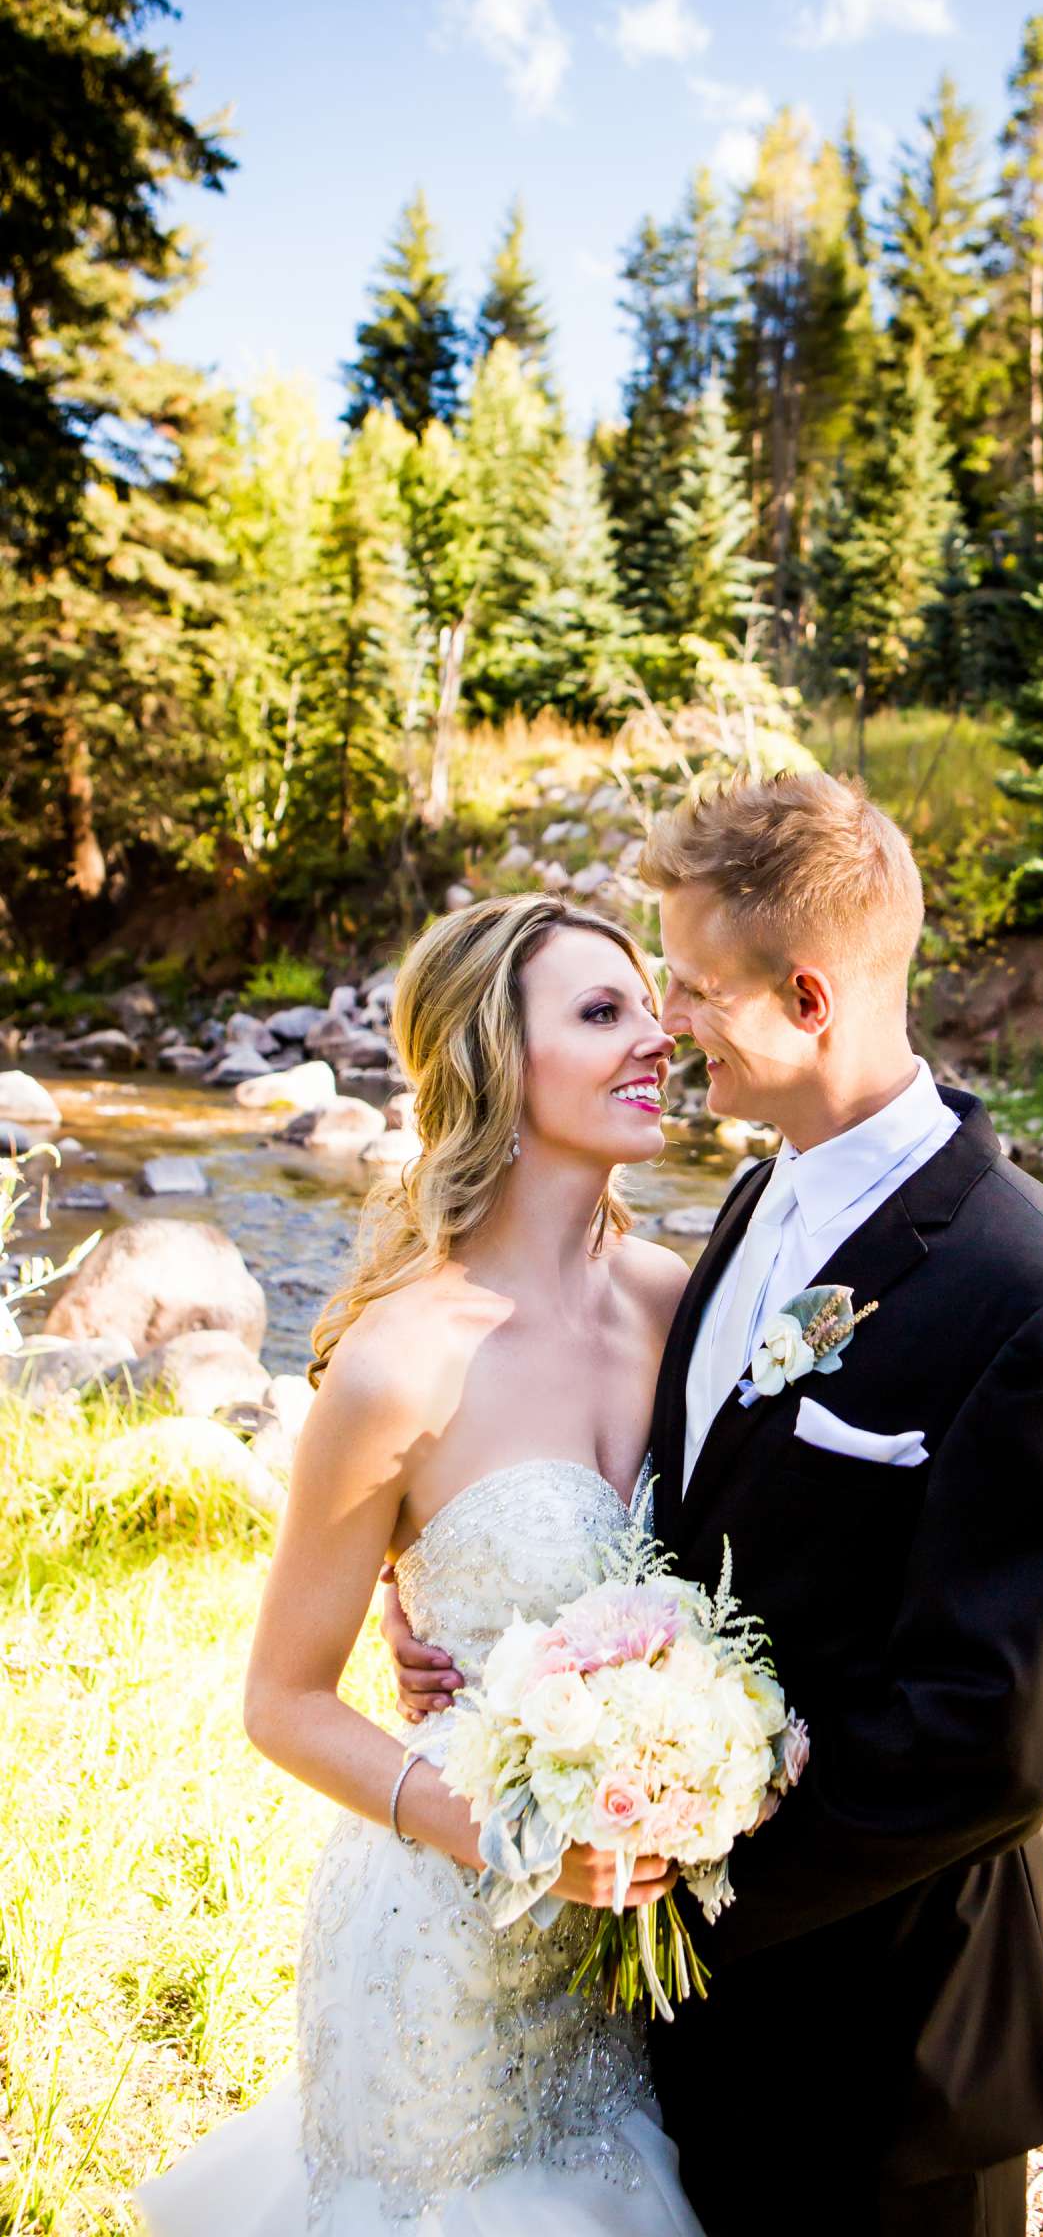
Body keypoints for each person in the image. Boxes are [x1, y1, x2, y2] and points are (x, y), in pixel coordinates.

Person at [389, 772, 1043, 2237]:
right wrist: (492, 1667)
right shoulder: (758, 1207)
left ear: (809, 999)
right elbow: (688, 1516)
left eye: (688, 988)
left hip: (882, 2063)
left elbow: (985, 1741)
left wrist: (677, 1882)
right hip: (671, 2038)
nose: (665, 1022)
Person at [137, 894, 705, 2236]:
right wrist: (497, 1829)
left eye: (651, 1006)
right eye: (602, 1012)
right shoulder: (405, 1363)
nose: (658, 1038)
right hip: (444, 1963)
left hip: (628, 1971)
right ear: (495, 1063)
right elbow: (282, 1701)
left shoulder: (682, 1299)